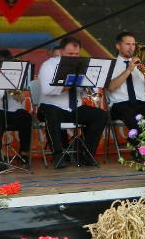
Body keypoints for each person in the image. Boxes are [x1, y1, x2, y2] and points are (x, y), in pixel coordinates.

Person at [37, 36, 107, 168]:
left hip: (74, 108)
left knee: (100, 115)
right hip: (52, 106)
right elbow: (46, 90)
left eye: (76, 54)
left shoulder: (83, 66)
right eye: (70, 54)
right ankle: (58, 156)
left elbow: (89, 91)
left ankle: (85, 154)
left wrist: (87, 87)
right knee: (52, 113)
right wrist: (70, 84)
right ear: (61, 51)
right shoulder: (49, 65)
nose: (74, 57)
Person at [107, 31, 145, 132]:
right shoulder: (111, 64)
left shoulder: (140, 65)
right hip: (120, 104)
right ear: (118, 46)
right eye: (127, 44)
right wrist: (129, 69)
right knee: (131, 117)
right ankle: (142, 141)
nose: (131, 48)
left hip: (141, 104)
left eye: (133, 44)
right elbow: (110, 88)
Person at [0, 49, 32, 168]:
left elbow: (21, 98)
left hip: (15, 112)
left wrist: (11, 87)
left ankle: (24, 152)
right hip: (0, 110)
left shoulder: (15, 76)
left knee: (26, 117)